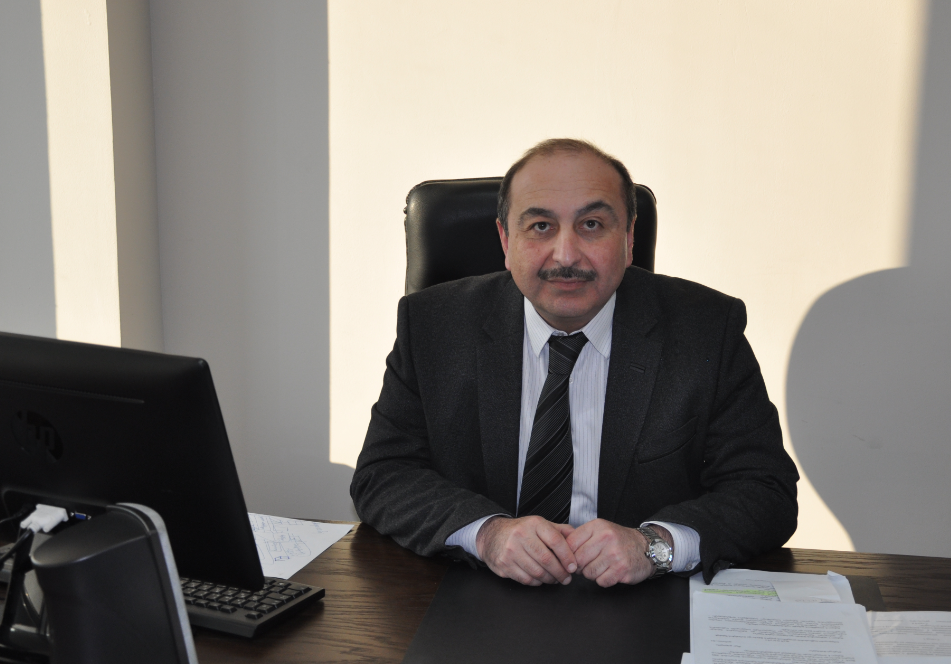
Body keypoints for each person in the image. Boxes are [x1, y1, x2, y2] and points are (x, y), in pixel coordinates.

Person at [351, 138, 798, 587]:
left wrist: (656, 545)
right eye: (541, 226)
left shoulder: (705, 330)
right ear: (505, 239)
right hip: (472, 593)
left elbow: (765, 490)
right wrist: (486, 535)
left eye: (591, 224)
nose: (566, 255)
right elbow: (384, 474)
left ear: (629, 238)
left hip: (642, 602)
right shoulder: (433, 326)